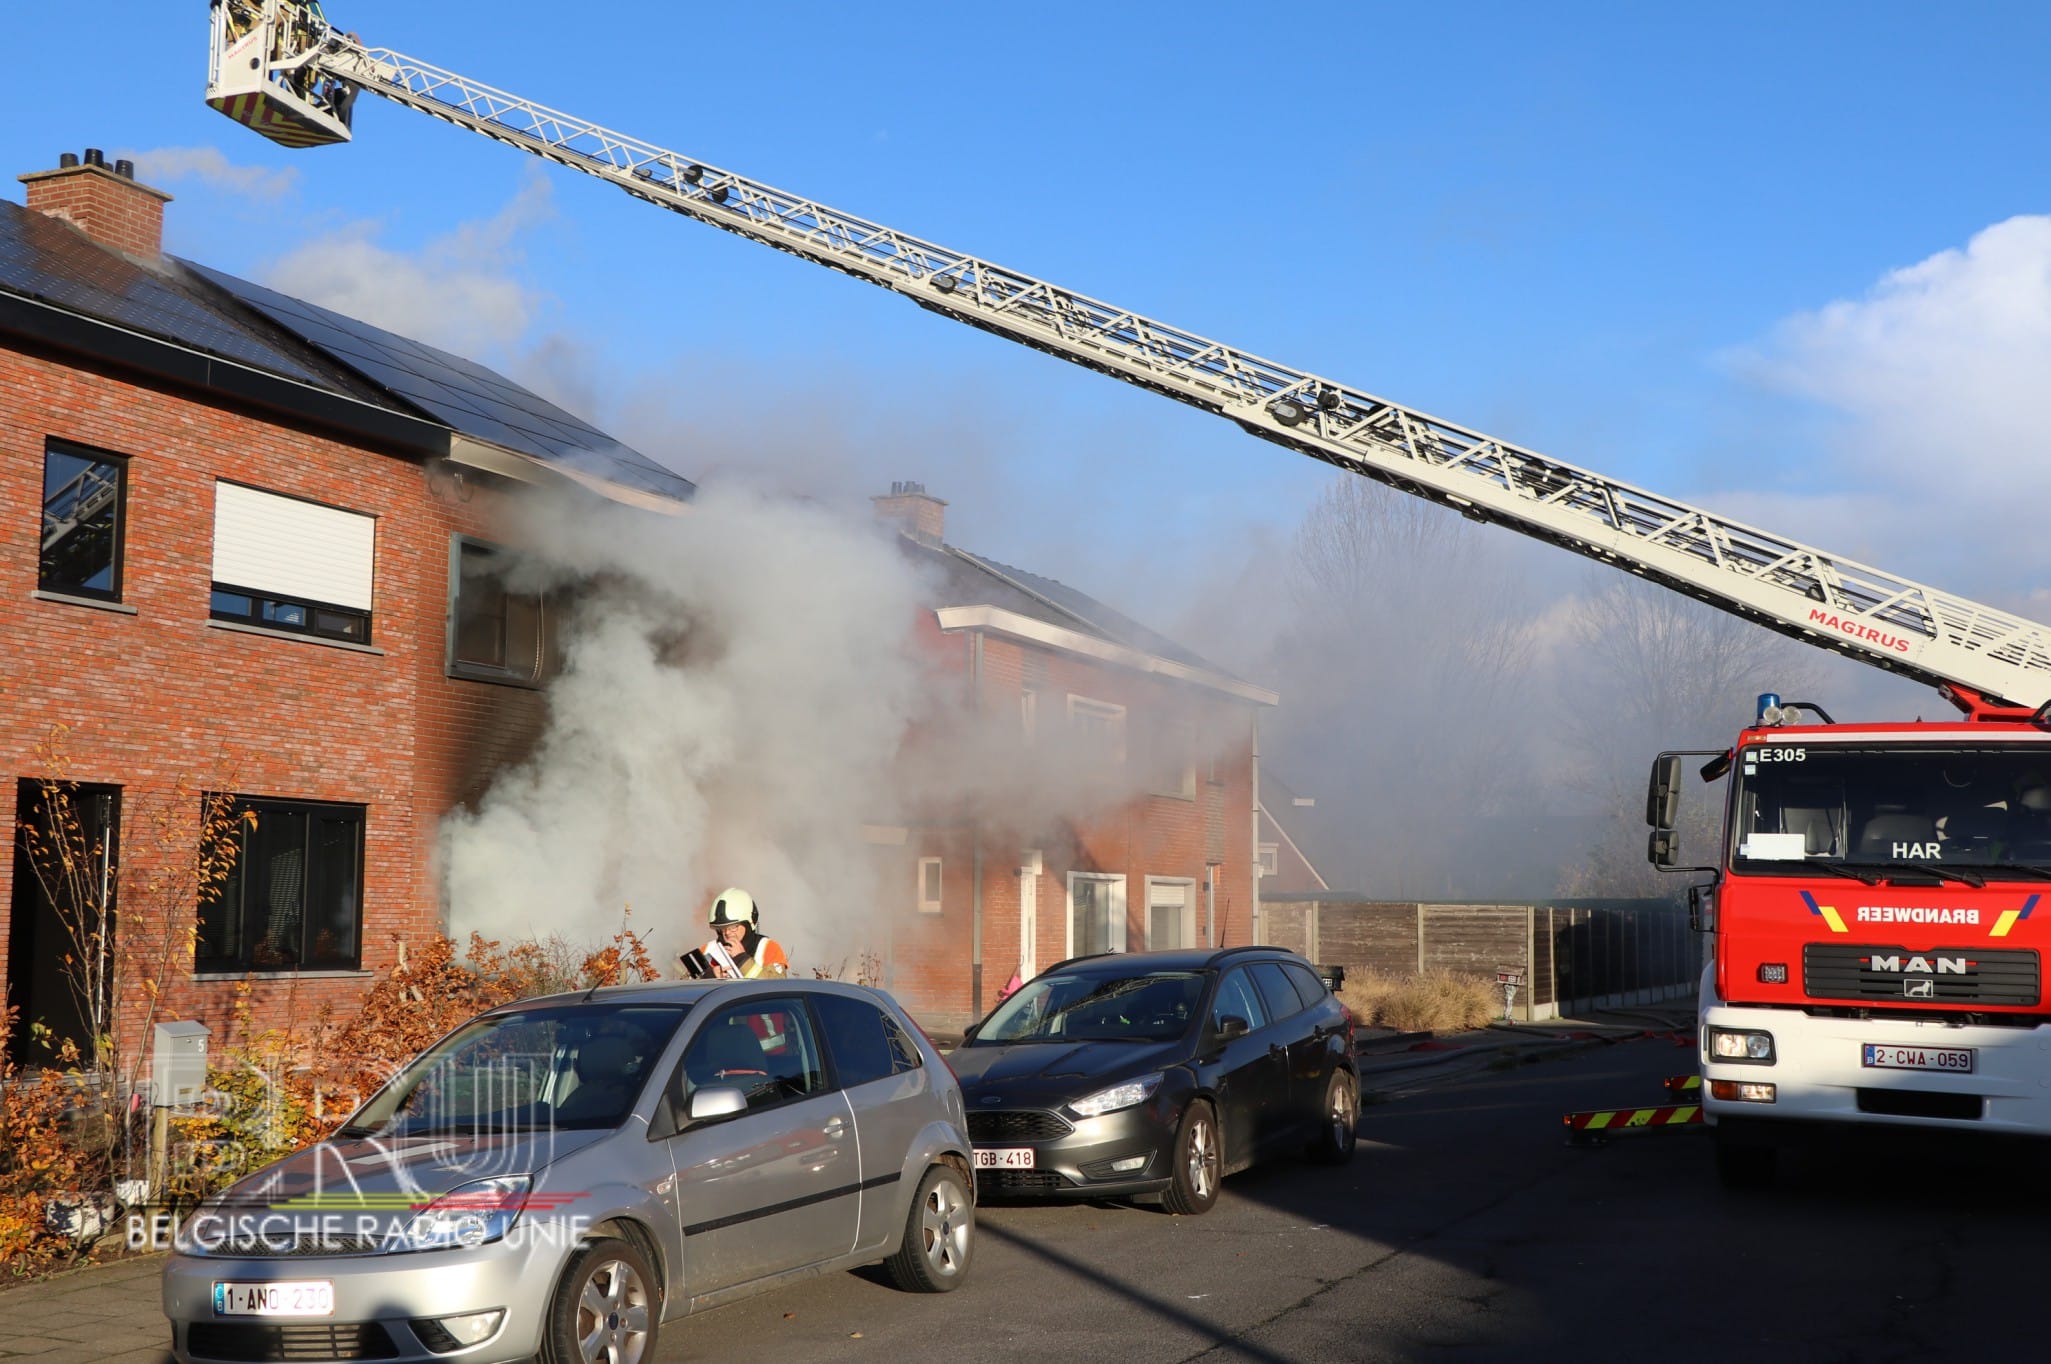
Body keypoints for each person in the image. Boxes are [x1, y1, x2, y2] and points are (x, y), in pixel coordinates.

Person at [688, 887, 789, 979]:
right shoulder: (706, 951)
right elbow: (683, 988)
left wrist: (742, 959)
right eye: (722, 928)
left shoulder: (768, 948)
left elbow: (777, 986)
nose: (727, 933)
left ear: (750, 922)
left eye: (733, 927)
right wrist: (709, 976)